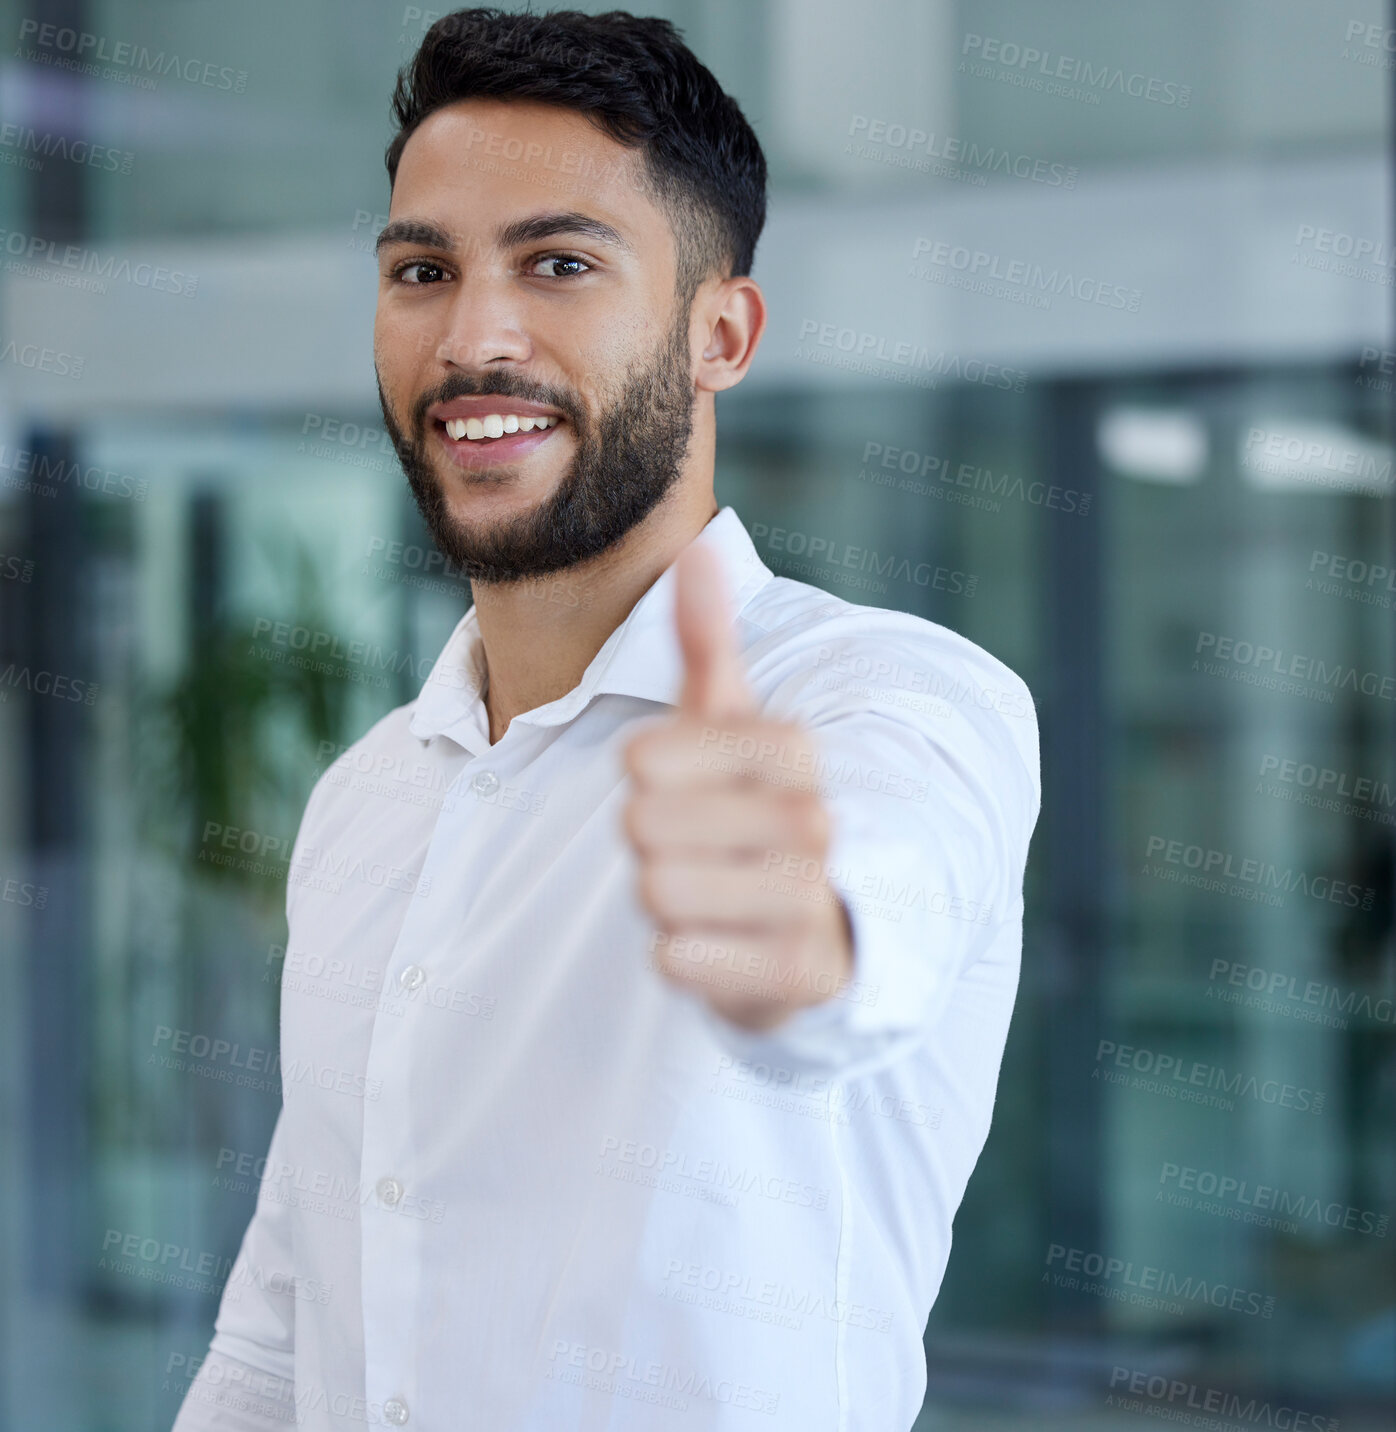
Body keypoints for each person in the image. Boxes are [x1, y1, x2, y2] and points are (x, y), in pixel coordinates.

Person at [172, 8, 1040, 1430]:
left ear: (723, 330)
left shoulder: (887, 699)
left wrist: (794, 941)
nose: (473, 336)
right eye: (421, 269)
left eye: (559, 263)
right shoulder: (369, 794)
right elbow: (285, 1325)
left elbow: (871, 909)